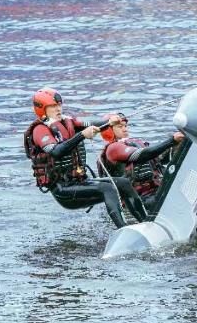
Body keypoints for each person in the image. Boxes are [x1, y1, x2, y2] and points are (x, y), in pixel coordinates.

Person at [23, 87, 150, 228]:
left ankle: (147, 223)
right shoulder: (39, 130)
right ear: (42, 109)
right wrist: (82, 135)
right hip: (63, 190)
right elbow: (57, 152)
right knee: (108, 188)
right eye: (53, 106)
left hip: (80, 182)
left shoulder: (68, 121)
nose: (58, 109)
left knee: (123, 183)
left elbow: (93, 123)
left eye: (59, 105)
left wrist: (110, 121)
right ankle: (123, 229)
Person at [97, 112, 185, 213]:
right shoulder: (113, 148)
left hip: (154, 193)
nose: (125, 129)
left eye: (125, 126)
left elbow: (158, 160)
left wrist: (177, 144)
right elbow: (142, 156)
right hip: (135, 202)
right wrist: (171, 141)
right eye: (120, 126)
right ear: (108, 130)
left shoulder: (134, 143)